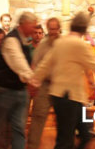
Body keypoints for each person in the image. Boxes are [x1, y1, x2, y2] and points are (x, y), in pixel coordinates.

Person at [31, 12, 95, 149]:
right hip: (68, 97)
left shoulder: (61, 42)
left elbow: (45, 64)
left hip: (68, 97)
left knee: (82, 136)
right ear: (85, 29)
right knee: (66, 140)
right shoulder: (80, 45)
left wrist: (33, 80)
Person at [0, 12, 37, 149]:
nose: (35, 29)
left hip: (19, 91)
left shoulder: (24, 41)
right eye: (33, 25)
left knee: (18, 130)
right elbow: (19, 64)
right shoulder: (11, 40)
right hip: (3, 92)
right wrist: (34, 81)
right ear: (24, 24)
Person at [27, 17, 61, 149]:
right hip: (44, 86)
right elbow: (35, 64)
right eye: (50, 29)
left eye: (55, 29)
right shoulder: (43, 44)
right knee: (38, 118)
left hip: (60, 86)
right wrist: (34, 83)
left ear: (59, 29)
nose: (53, 32)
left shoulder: (64, 43)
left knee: (63, 121)